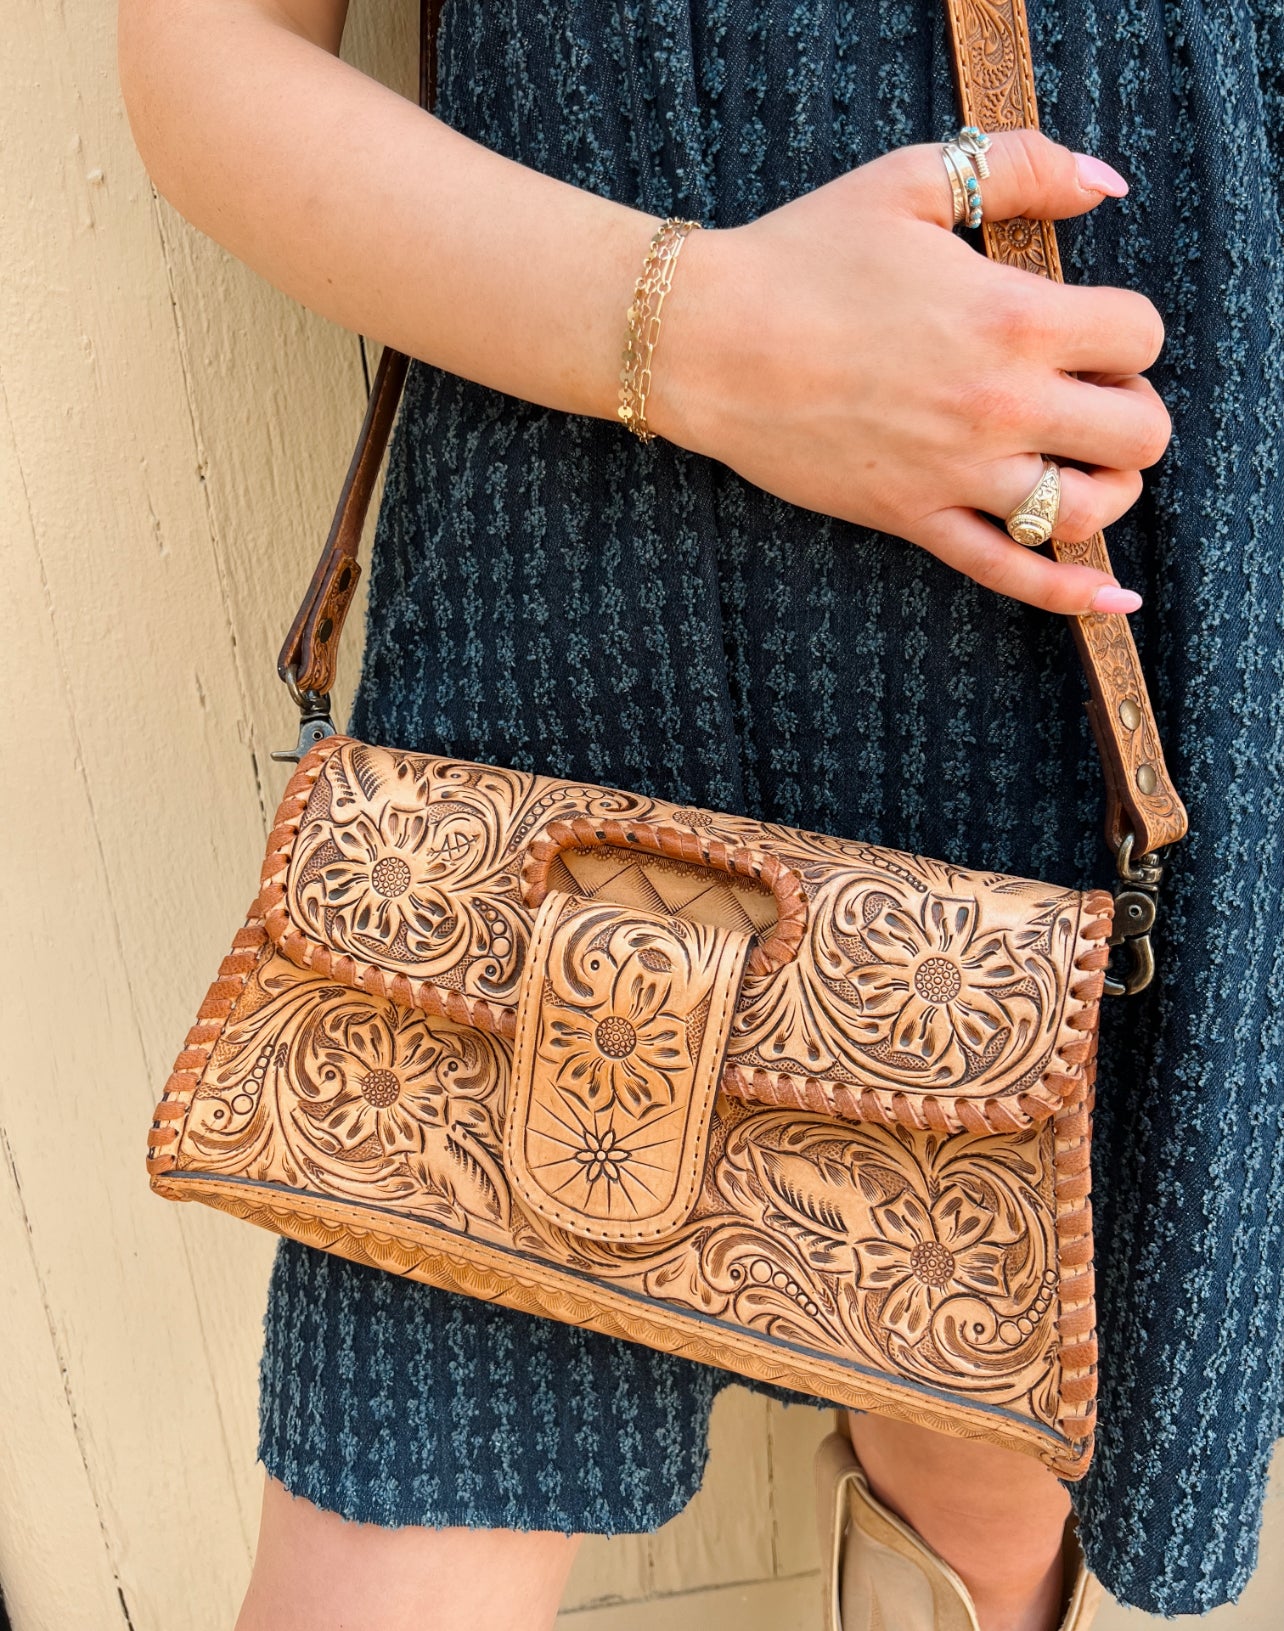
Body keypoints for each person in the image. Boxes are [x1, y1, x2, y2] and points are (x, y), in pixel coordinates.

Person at [117, 2, 1284, 1630]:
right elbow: (204, 62)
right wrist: (707, 335)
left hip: (1089, 580)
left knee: (982, 1465)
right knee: (393, 1527)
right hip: (560, 624)